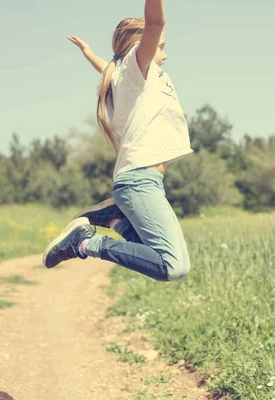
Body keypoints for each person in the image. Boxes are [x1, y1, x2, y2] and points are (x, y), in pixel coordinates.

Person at [43, 0, 192, 282]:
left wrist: (89, 54)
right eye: (160, 47)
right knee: (173, 266)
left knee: (179, 263)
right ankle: (85, 244)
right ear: (139, 46)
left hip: (144, 181)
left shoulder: (122, 76)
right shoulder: (136, 71)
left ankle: (114, 218)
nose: (165, 54)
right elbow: (155, 23)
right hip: (139, 180)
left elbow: (106, 67)